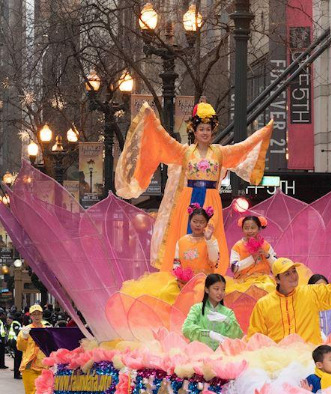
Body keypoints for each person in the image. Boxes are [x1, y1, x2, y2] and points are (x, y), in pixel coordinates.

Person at [116, 99, 273, 274]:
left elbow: (242, 149)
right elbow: (164, 141)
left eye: (208, 129)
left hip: (211, 199)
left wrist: (262, 133)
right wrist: (151, 119)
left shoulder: (220, 153)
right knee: (186, 235)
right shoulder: (185, 152)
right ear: (195, 131)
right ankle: (184, 272)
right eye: (201, 129)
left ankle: (209, 273)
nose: (205, 132)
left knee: (210, 236)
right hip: (189, 199)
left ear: (212, 131)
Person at [248, 242, 331, 344]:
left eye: (294, 271)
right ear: (277, 279)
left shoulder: (311, 293)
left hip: (308, 359)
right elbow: (255, 338)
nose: (293, 276)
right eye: (287, 274)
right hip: (279, 363)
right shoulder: (263, 304)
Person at [181, 274, 244, 350]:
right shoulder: (197, 309)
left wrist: (228, 321)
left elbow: (238, 336)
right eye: (216, 289)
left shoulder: (228, 313)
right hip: (198, 352)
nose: (220, 293)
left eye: (223, 289)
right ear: (207, 289)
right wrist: (208, 334)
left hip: (221, 353)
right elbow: (186, 329)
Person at [16, 305, 49, 394]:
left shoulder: (46, 329)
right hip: (29, 367)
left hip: (44, 366)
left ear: (41, 315)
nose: (36, 316)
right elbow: (20, 347)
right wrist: (23, 338)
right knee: (32, 393)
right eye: (34, 314)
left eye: (38, 314)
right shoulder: (26, 330)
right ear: (30, 316)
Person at [172, 206, 221, 280]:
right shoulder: (181, 241)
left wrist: (208, 240)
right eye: (195, 221)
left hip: (205, 281)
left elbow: (214, 260)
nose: (198, 225)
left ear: (206, 224)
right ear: (189, 222)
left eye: (202, 222)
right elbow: (176, 263)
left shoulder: (212, 240)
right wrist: (179, 277)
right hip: (185, 282)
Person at [230, 215, 277, 281]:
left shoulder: (266, 245)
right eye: (246, 228)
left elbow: (276, 266)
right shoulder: (238, 246)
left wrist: (267, 255)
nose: (249, 231)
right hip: (243, 282)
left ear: (259, 229)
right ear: (242, 230)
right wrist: (252, 258)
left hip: (265, 281)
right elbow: (234, 268)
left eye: (253, 228)